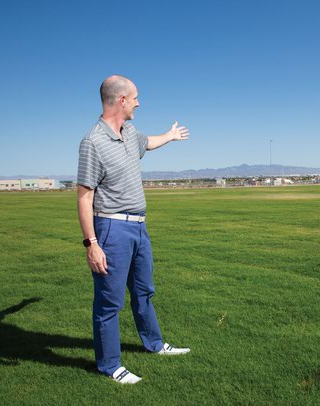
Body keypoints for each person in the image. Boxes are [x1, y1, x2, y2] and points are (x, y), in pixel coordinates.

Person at [77, 75, 190, 384]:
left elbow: (148, 143)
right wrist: (91, 244)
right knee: (109, 302)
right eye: (136, 97)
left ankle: (154, 345)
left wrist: (169, 135)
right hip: (111, 228)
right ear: (122, 100)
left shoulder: (130, 132)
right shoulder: (93, 142)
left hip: (139, 227)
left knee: (143, 292)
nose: (140, 102)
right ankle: (110, 366)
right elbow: (84, 196)